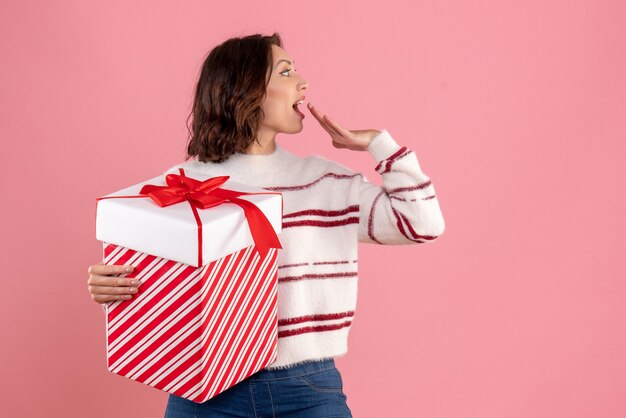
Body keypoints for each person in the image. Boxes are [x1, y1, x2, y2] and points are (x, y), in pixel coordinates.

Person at [87, 32, 445, 417]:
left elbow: (421, 223)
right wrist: (113, 285)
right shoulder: (181, 185)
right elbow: (160, 284)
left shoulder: (326, 182)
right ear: (246, 90)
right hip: (202, 389)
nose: (303, 83)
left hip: (307, 390)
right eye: (287, 72)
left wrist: (379, 144)